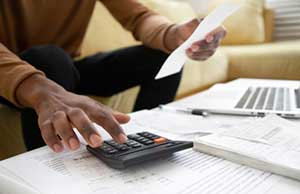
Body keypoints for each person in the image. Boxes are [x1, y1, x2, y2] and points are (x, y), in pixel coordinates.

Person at [0, 0, 226, 153]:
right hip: (10, 76)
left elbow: (139, 18)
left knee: (159, 56)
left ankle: (142, 145)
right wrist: (37, 87)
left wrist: (174, 34)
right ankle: (47, 174)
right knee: (48, 58)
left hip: (66, 69)